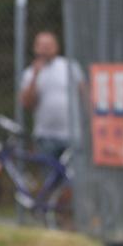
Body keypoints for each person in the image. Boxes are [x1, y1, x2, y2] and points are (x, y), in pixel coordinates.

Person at [19, 31, 85, 159]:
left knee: (72, 176)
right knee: (49, 177)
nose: (45, 50)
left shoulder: (70, 66)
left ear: (56, 47)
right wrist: (35, 76)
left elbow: (85, 96)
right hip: (45, 136)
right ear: (35, 48)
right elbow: (27, 103)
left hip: (72, 134)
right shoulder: (29, 73)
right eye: (42, 46)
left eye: (48, 46)